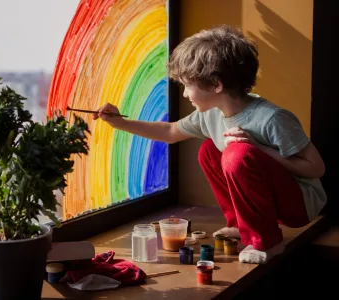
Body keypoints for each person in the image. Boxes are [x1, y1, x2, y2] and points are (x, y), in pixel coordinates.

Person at [93, 24, 327, 264]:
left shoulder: (272, 118)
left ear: (216, 85)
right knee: (209, 150)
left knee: (237, 155)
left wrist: (261, 150)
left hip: (299, 205)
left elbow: (316, 168)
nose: (184, 94)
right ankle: (240, 225)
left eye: (187, 85)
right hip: (269, 197)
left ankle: (267, 241)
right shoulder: (211, 114)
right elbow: (171, 131)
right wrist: (120, 123)